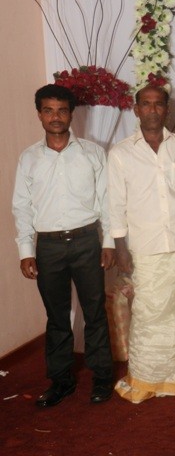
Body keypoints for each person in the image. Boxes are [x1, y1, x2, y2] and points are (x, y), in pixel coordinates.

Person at [12, 84, 115, 407]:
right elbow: (22, 207)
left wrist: (108, 242)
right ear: (39, 114)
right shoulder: (29, 158)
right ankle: (61, 381)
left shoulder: (93, 153)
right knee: (56, 317)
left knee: (94, 312)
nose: (55, 117)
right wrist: (26, 251)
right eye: (48, 110)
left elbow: (107, 201)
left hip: (87, 242)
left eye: (61, 110)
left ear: (71, 114)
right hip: (48, 247)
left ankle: (102, 377)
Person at [108, 84, 175, 403]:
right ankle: (146, 378)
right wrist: (120, 248)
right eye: (146, 104)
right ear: (136, 109)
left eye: (159, 104)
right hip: (144, 248)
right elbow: (115, 205)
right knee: (147, 317)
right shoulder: (121, 153)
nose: (152, 110)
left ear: (167, 109)